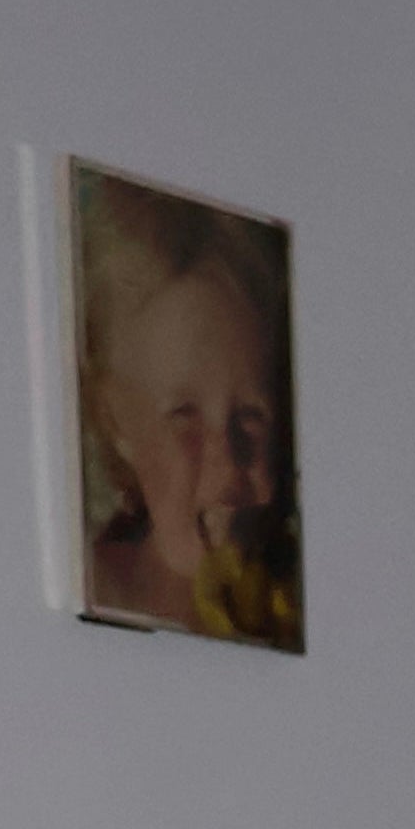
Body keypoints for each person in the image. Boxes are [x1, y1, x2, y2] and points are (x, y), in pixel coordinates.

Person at [75, 182, 297, 648]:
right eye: (183, 415)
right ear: (115, 421)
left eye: (251, 415)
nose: (227, 463)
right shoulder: (101, 587)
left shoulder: (295, 598)